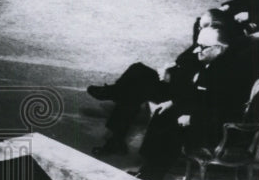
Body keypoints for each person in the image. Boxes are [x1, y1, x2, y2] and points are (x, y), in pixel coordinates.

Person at [87, 10, 236, 155]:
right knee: (137, 71)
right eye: (199, 26)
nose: (199, 29)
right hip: (173, 84)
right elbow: (183, 64)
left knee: (133, 88)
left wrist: (170, 77)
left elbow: (191, 87)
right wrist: (171, 69)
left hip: (177, 93)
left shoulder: (209, 52)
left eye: (203, 26)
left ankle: (115, 131)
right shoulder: (201, 42)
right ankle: (116, 131)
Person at [134, 24, 252, 180]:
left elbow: (223, 110)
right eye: (197, 45)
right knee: (163, 112)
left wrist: (192, 118)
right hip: (207, 116)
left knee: (171, 126)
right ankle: (148, 167)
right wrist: (173, 102)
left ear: (218, 48)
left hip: (220, 129)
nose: (197, 50)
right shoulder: (216, 62)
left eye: (202, 47)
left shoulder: (229, 72)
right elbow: (200, 96)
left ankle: (153, 175)